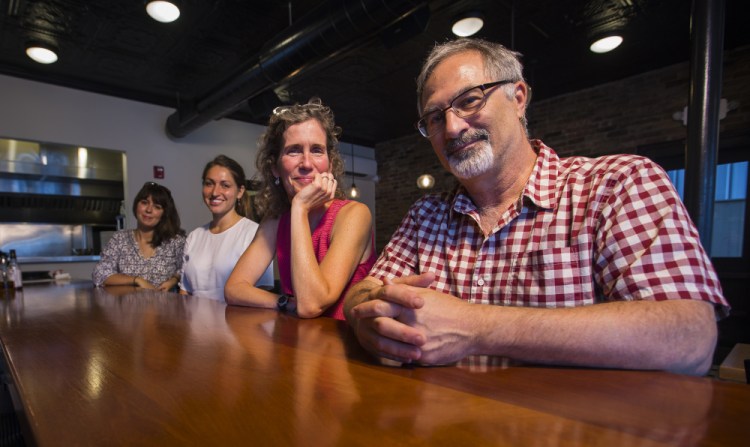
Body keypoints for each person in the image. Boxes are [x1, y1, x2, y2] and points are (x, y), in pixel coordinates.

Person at [343, 38, 730, 375]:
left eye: (469, 101)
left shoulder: (617, 183)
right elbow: (363, 290)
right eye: (435, 117)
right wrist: (367, 319)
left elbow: (690, 339)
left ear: (519, 97)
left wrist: (476, 327)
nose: (454, 127)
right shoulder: (425, 215)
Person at [225, 98, 377, 320]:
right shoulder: (276, 221)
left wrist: (299, 207)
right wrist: (284, 303)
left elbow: (311, 305)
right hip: (299, 345)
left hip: (343, 348)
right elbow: (234, 288)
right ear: (275, 167)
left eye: (317, 150)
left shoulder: (354, 214)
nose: (307, 163)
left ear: (330, 164)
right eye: (294, 151)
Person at [179, 155, 274, 301]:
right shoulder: (194, 237)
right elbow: (185, 293)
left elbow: (262, 292)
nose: (215, 192)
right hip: (194, 322)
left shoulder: (254, 233)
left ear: (240, 191)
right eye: (209, 183)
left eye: (225, 185)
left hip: (236, 323)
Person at [93, 182, 186, 290]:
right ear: (136, 205)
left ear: (164, 213)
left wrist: (173, 280)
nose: (149, 210)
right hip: (127, 306)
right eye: (144, 202)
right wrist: (137, 280)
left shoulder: (175, 241)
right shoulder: (119, 239)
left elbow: (186, 269)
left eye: (157, 206)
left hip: (163, 305)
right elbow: (99, 274)